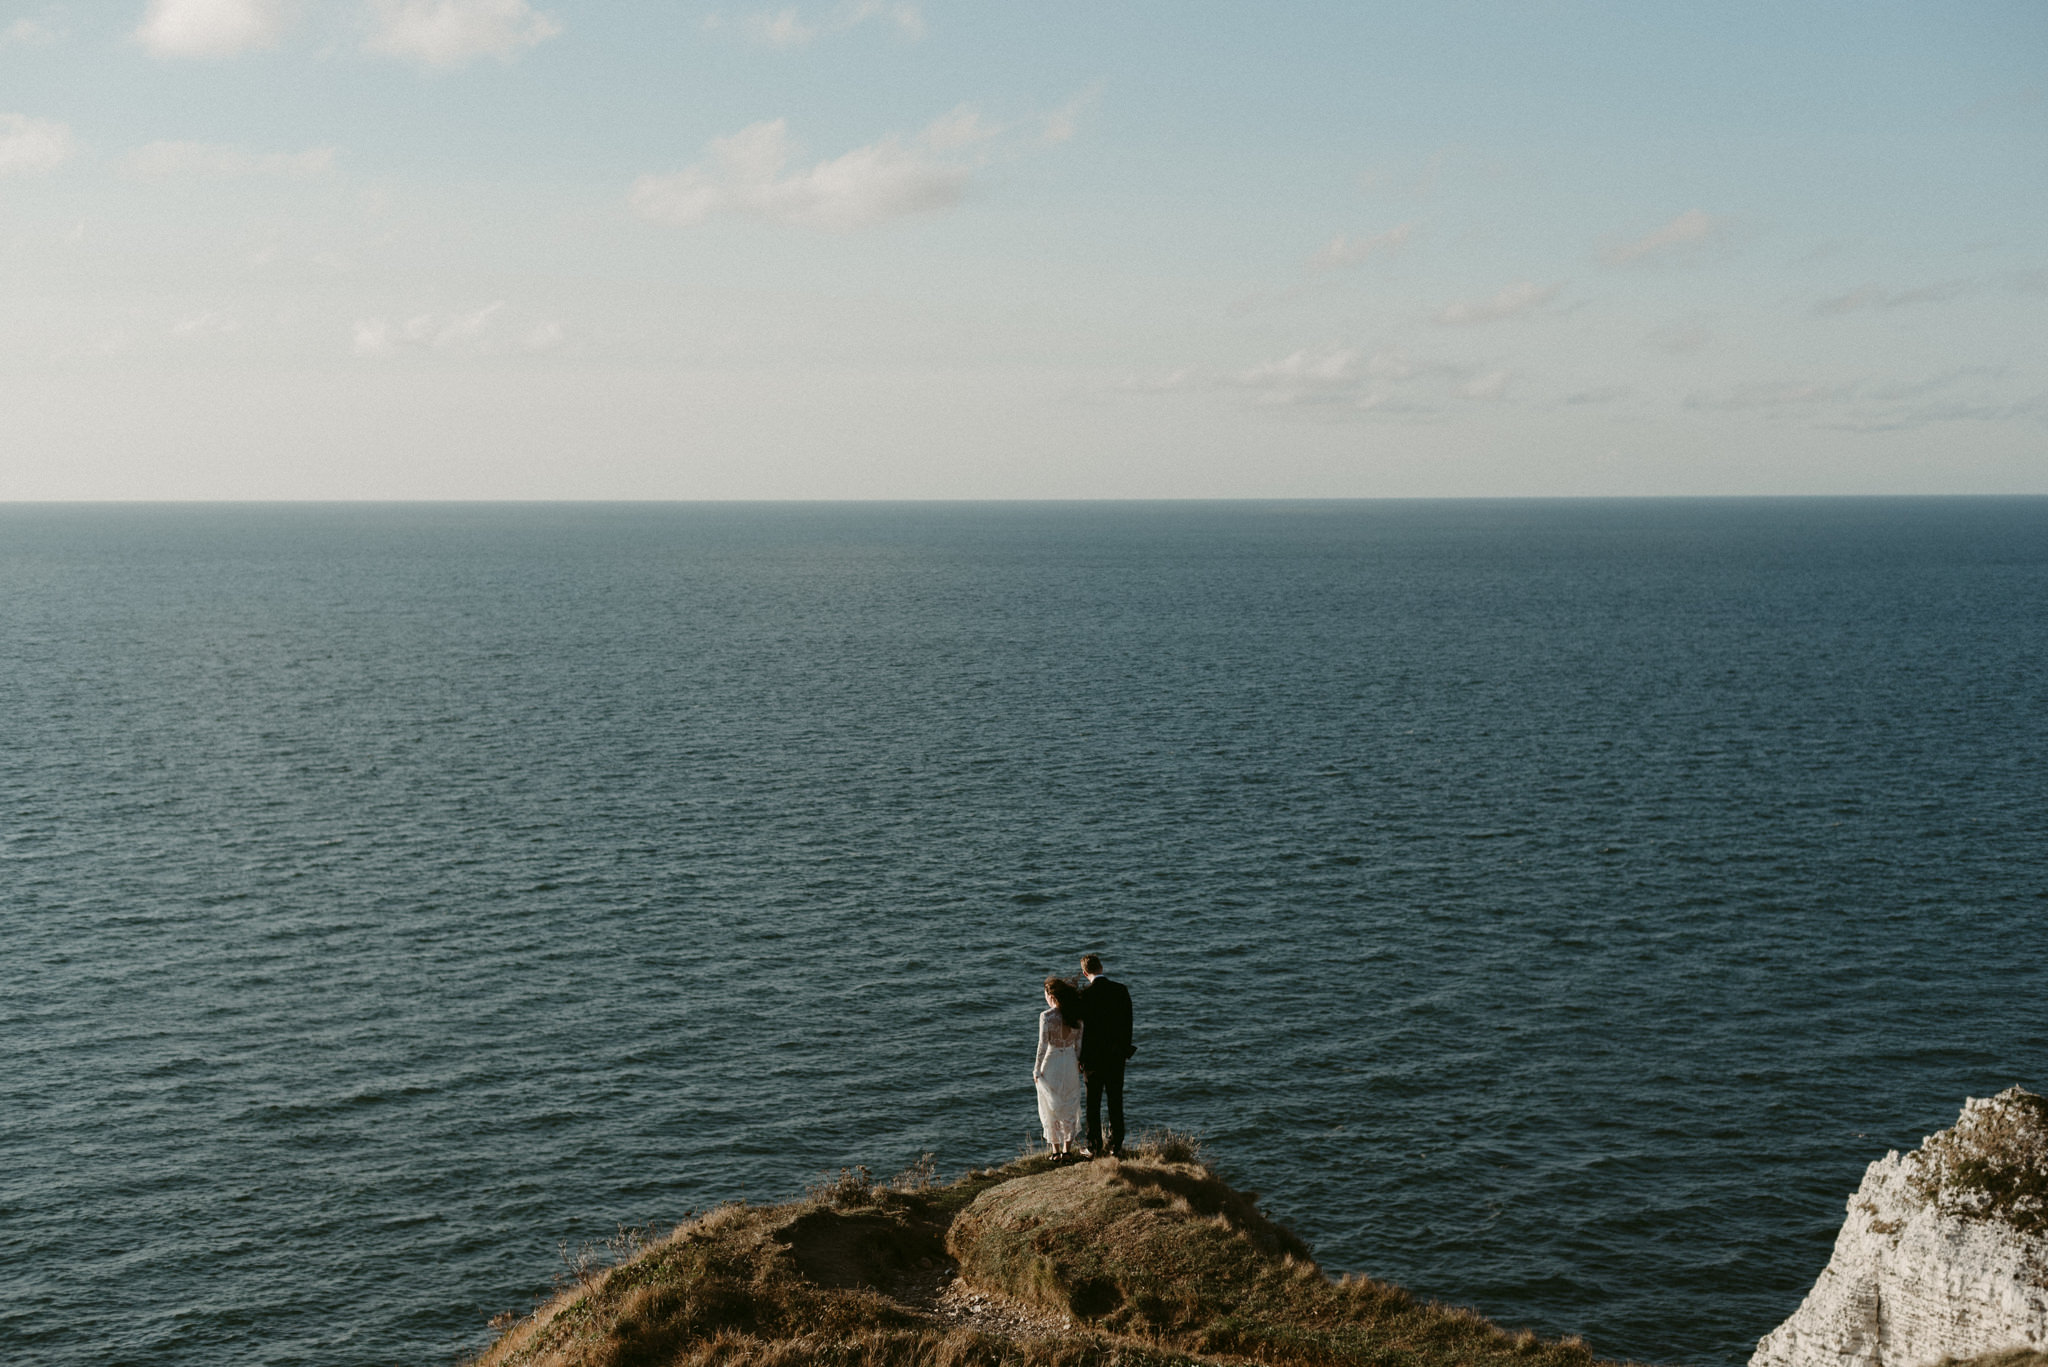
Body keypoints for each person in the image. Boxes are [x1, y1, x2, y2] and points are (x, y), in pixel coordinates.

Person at [1075, 953, 1134, 1159]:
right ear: (1102, 967)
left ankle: (1093, 1146)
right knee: (1115, 1101)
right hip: (1116, 1056)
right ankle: (1115, 1145)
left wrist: (1079, 1057)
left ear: (1085, 973)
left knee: (1093, 1103)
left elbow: (1079, 1029)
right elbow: (1128, 1024)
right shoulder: (1120, 990)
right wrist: (1124, 1050)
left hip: (1092, 1058)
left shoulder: (1084, 995)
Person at [1034, 977, 1086, 1160]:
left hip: (1052, 1062)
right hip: (1070, 1062)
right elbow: (1079, 1046)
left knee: (1051, 1106)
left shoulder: (1046, 1017)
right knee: (1070, 1104)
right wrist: (1079, 1063)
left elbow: (1042, 1045)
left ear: (1051, 996)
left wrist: (1036, 1070)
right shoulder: (1077, 1017)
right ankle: (1067, 1150)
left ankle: (1055, 1151)